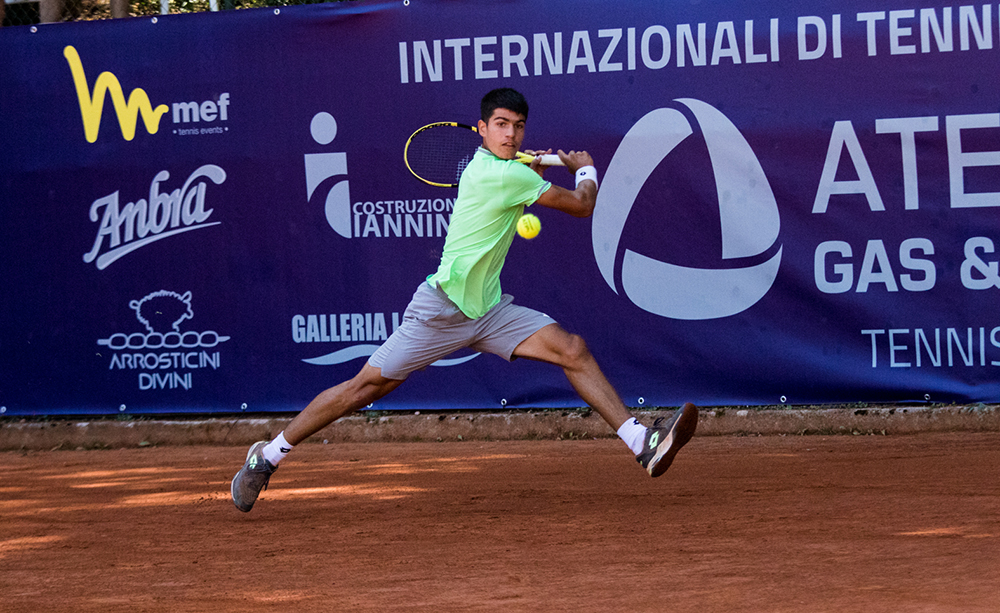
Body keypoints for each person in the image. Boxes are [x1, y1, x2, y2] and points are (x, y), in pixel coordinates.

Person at [231, 88, 698, 512]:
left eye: (517, 126)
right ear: (481, 128)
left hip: (488, 310)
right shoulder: (499, 174)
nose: (510, 134)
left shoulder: (504, 170)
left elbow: (515, 178)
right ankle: (267, 455)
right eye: (500, 124)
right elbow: (581, 204)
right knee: (364, 389)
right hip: (441, 311)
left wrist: (526, 168)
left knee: (571, 349)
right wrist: (587, 169)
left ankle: (640, 440)